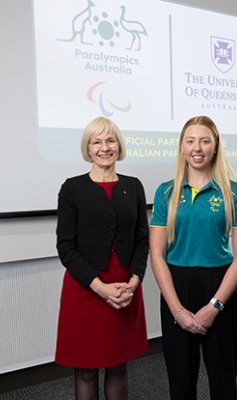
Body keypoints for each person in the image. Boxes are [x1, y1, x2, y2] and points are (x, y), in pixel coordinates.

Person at [150, 115, 237, 400]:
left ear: (216, 146)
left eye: (205, 140)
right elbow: (157, 255)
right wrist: (177, 310)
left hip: (220, 287)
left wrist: (215, 305)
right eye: (190, 140)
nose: (197, 148)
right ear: (181, 147)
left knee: (223, 381)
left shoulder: (234, 191)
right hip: (176, 287)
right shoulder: (166, 191)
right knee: (180, 383)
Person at [55, 116, 149, 400]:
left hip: (125, 288)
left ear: (119, 146)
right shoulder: (72, 188)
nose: (104, 147)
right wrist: (100, 288)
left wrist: (133, 282)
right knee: (85, 370)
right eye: (97, 141)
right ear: (88, 148)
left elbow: (142, 240)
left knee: (118, 365)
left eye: (110, 140)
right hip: (85, 289)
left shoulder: (133, 186)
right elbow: (66, 247)